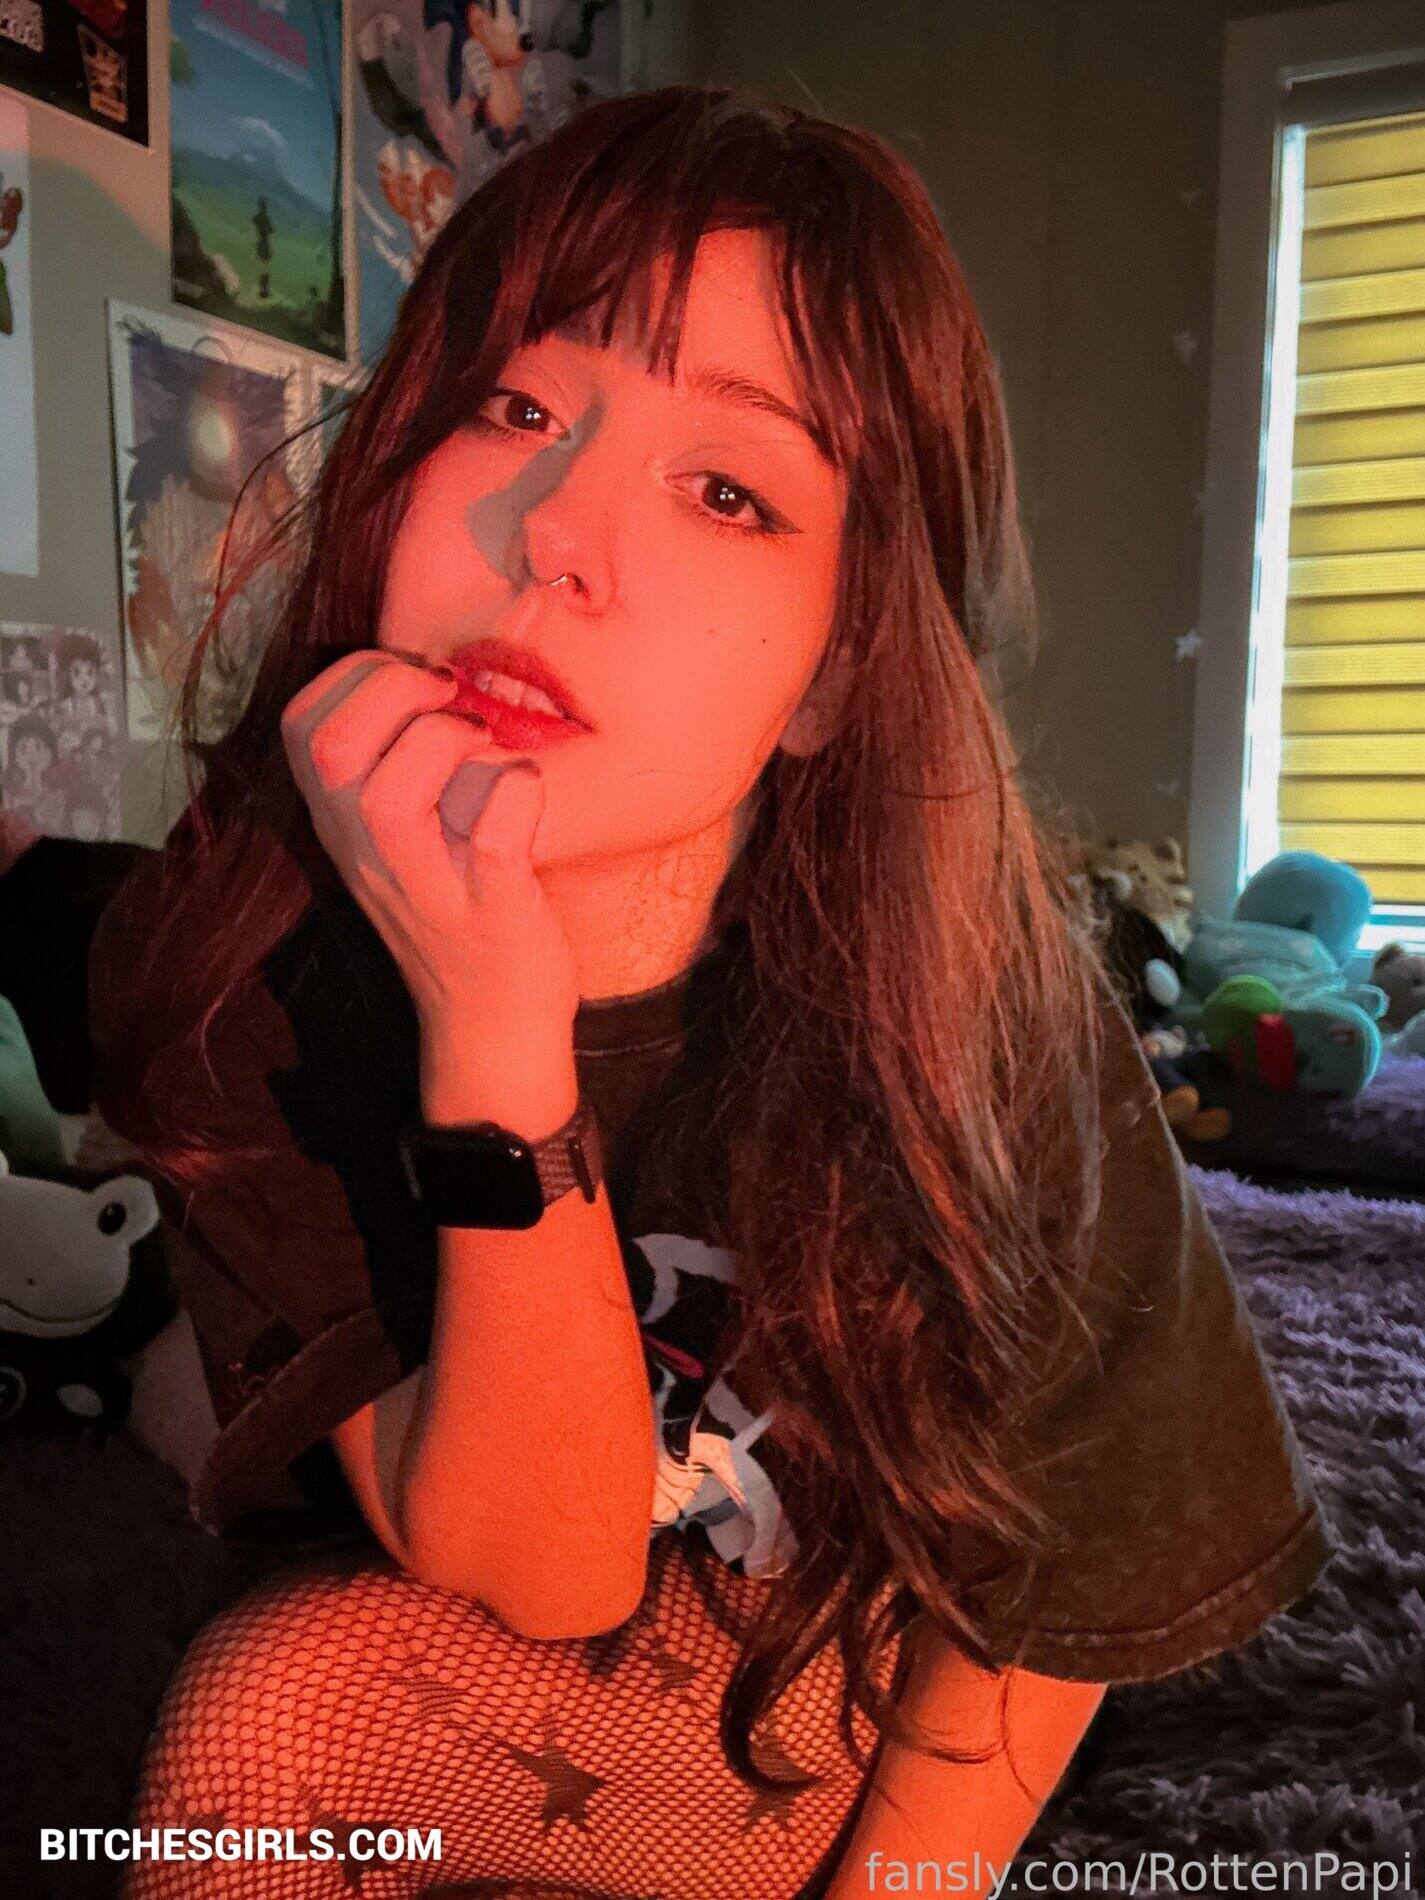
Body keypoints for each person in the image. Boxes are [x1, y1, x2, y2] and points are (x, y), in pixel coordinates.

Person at [88, 85, 1334, 1900]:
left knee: (288, 1690)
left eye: (728, 490)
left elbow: (1050, 1590)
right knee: (268, 1654)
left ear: (836, 673)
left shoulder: (975, 1012)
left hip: (834, 1649)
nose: (553, 531)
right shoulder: (240, 955)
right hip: (488, 1578)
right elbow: (546, 1567)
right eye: (515, 407)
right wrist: (493, 1033)